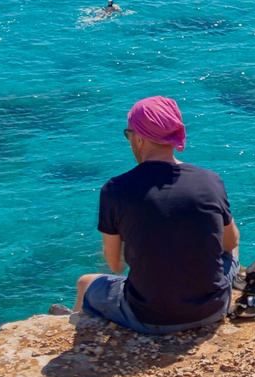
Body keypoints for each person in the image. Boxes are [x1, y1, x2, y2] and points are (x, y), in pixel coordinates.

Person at [67, 96, 241, 334]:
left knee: (85, 283)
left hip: (148, 317)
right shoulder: (210, 180)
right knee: (231, 240)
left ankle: (80, 332)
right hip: (212, 310)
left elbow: (115, 265)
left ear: (139, 138)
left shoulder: (115, 189)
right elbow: (229, 243)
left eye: (129, 135)